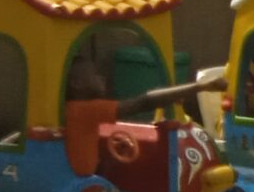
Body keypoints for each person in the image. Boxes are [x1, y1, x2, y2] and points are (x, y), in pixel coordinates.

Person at [62, 56, 227, 178]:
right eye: (95, 75)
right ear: (77, 84)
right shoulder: (85, 110)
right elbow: (143, 102)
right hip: (83, 186)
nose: (102, 77)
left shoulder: (70, 110)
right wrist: (202, 86)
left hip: (81, 180)